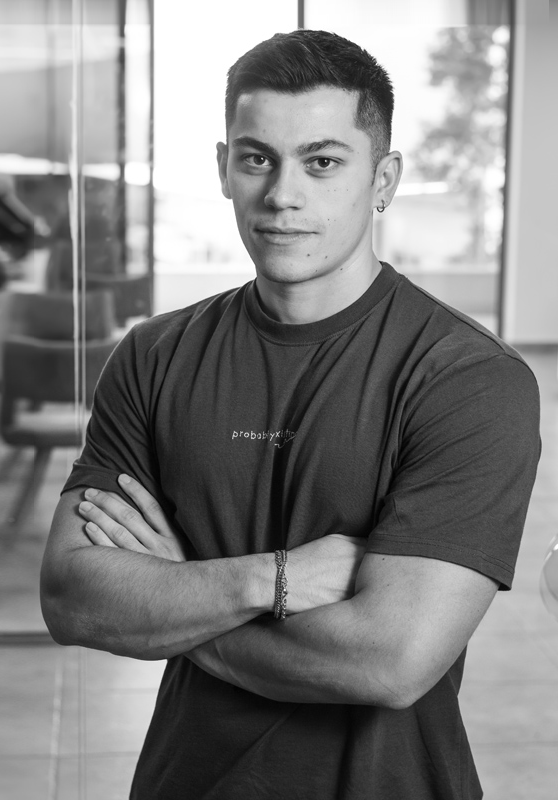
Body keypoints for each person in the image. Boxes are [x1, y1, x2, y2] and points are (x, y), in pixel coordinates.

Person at [40, 29, 541, 800]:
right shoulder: (153, 355)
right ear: (224, 168)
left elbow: (390, 661)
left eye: (322, 162)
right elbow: (73, 597)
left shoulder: (468, 378)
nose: (282, 194)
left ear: (383, 179)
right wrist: (268, 580)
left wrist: (179, 592)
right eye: (257, 159)